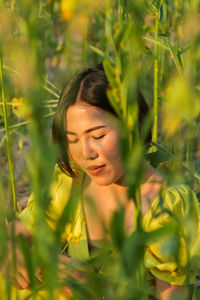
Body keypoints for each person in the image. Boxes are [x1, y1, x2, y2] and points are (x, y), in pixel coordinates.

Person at [1, 64, 200, 299]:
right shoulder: (72, 181)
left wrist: (93, 288)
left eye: (98, 136)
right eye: (72, 139)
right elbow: (17, 230)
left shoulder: (166, 205)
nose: (86, 153)